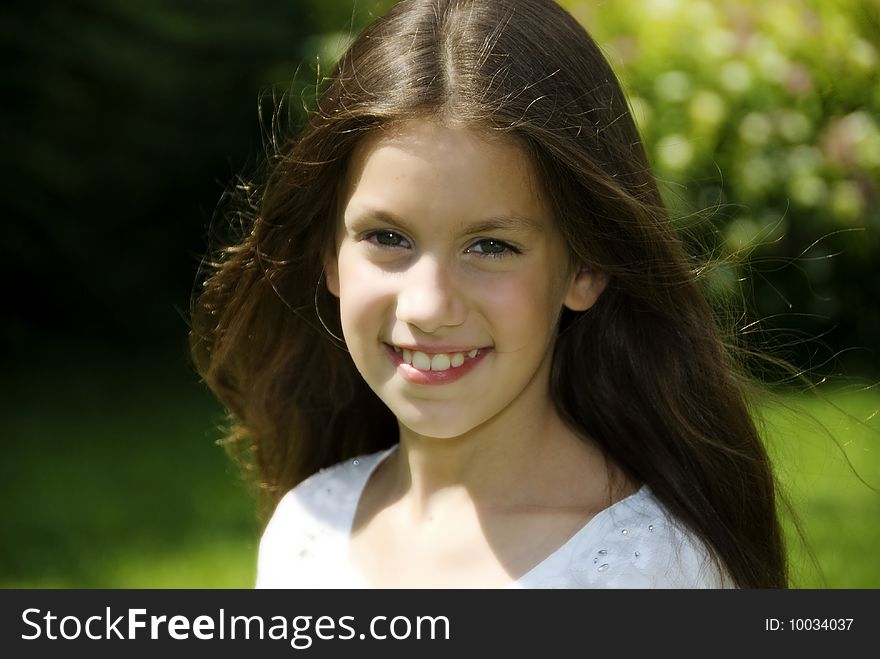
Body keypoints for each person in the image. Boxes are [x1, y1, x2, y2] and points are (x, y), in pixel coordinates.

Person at [190, 0, 788, 588]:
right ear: (330, 257)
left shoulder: (658, 572)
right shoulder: (304, 532)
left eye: (491, 246)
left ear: (585, 267)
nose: (428, 306)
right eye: (387, 237)